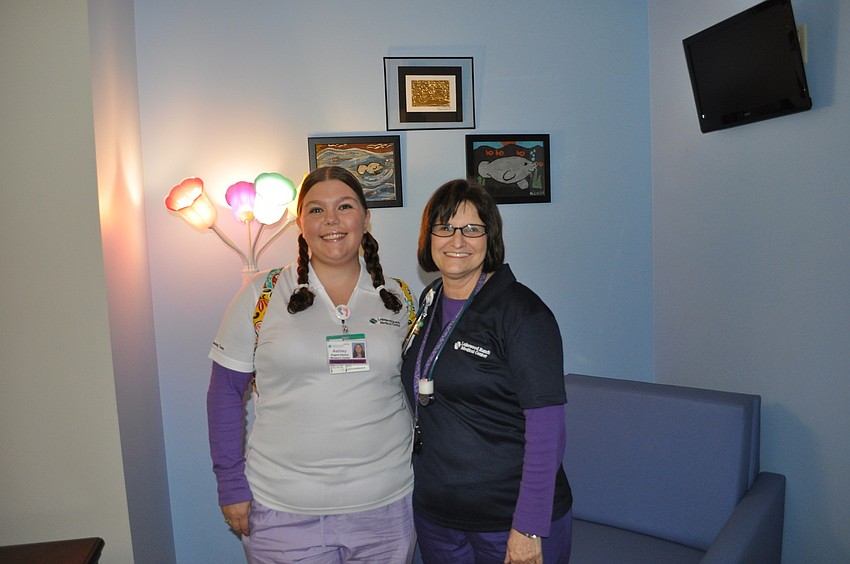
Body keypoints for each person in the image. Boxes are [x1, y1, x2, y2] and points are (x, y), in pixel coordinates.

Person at [207, 165, 417, 563]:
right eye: (316, 210)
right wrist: (230, 485)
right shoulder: (262, 294)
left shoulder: (400, 297)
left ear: (366, 217)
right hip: (282, 510)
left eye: (345, 206)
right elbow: (224, 394)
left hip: (385, 509)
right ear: (299, 223)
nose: (332, 220)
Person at [401, 179, 573, 564]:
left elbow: (548, 429)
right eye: (444, 227)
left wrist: (528, 527)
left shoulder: (523, 314)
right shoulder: (429, 300)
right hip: (438, 515)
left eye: (472, 229)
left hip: (508, 519)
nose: (456, 240)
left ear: (490, 237)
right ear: (428, 237)